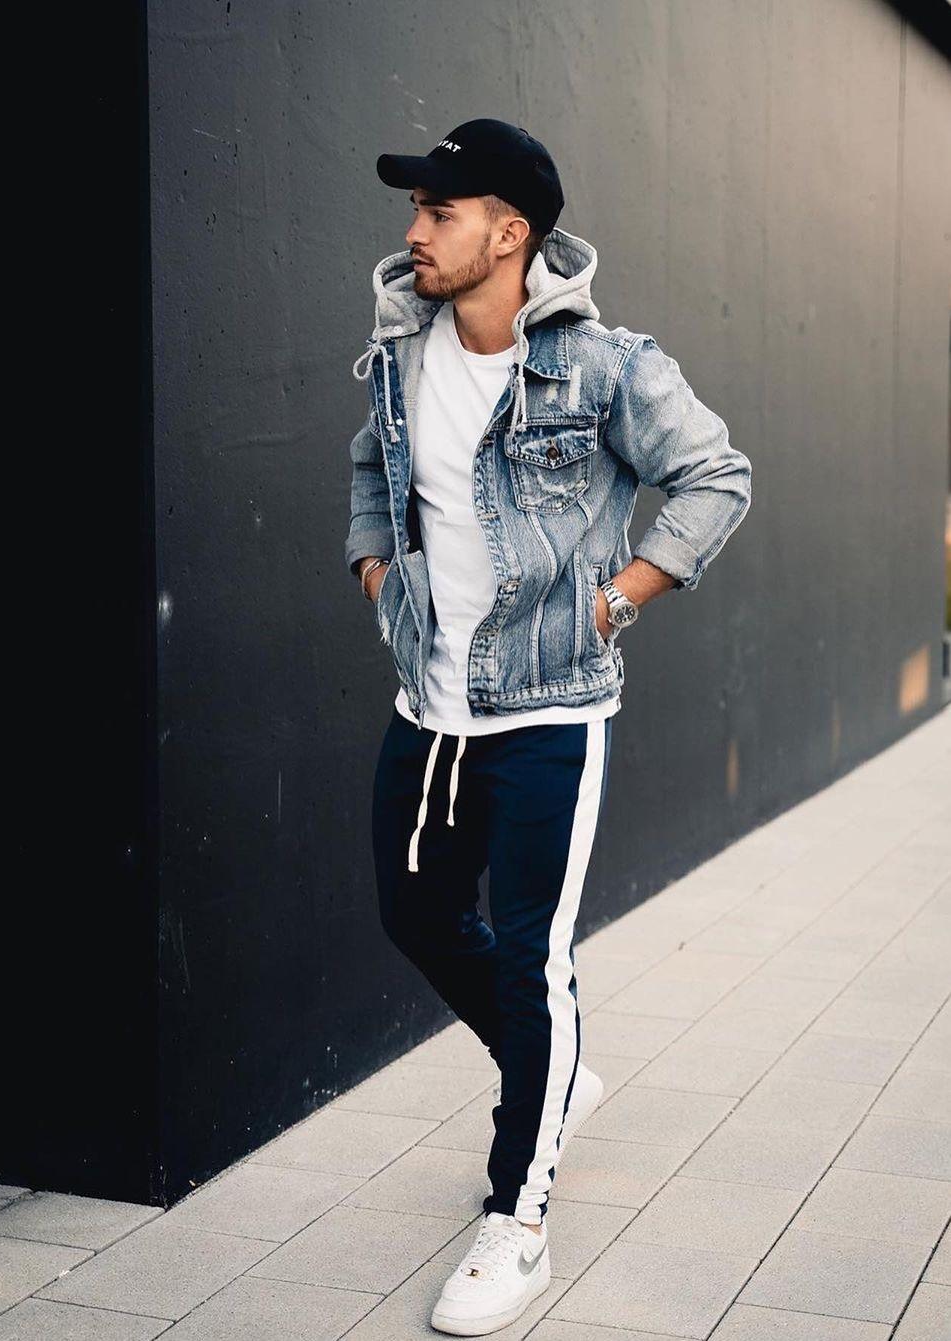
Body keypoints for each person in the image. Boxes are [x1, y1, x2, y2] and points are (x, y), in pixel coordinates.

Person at [344, 118, 752, 1336]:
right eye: (415, 210)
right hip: (430, 705)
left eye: (440, 212)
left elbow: (716, 476)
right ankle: (555, 1069)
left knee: (532, 962)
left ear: (508, 232)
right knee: (415, 914)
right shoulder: (399, 351)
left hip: (549, 714)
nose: (414, 232)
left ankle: (514, 1220)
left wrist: (618, 600)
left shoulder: (606, 367)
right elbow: (372, 471)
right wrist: (375, 570)